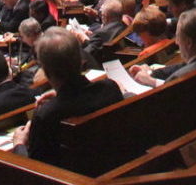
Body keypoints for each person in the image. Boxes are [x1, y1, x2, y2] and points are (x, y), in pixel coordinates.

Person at [18, 27, 122, 168]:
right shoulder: (109, 88)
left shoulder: (46, 115)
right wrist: (60, 95)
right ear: (80, 61)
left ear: (46, 72)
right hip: (114, 166)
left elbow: (36, 170)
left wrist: (19, 145)